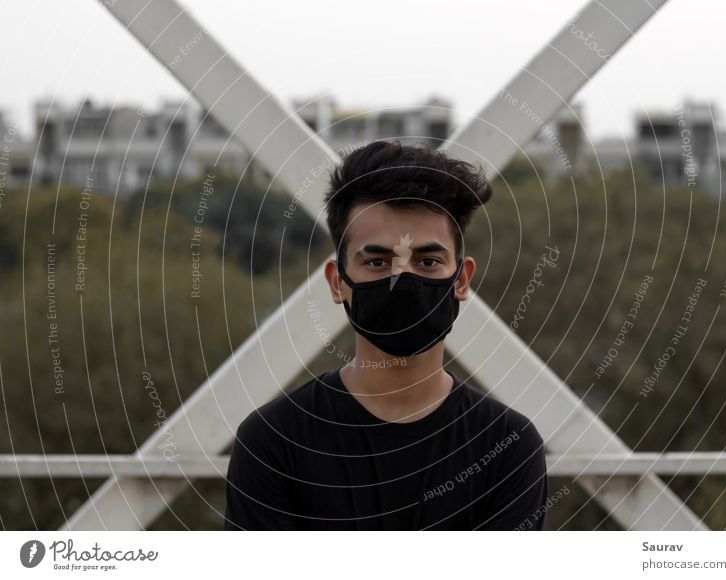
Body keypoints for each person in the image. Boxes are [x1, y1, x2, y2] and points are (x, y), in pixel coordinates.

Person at [224, 140, 548, 530]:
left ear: (461, 280)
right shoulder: (273, 442)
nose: (402, 280)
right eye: (377, 262)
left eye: (428, 261)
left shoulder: (508, 446)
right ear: (337, 283)